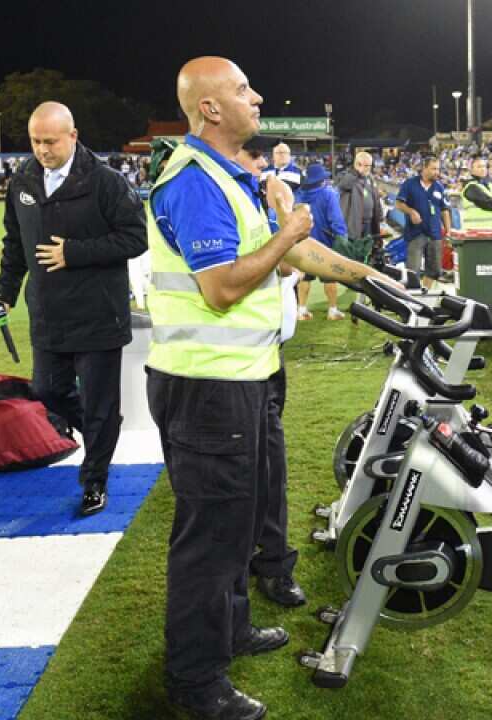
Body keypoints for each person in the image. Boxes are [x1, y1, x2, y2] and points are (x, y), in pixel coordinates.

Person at [146, 57, 393, 719]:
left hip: (240, 381)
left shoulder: (233, 176)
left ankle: (228, 630)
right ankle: (196, 684)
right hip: (208, 389)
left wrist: (375, 280)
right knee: (211, 539)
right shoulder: (196, 182)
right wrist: (288, 228)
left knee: (237, 524)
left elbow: (298, 256)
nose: (257, 97)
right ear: (210, 110)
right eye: (242, 89)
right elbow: (224, 287)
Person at [0, 101, 147, 517]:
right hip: (48, 313)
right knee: (47, 391)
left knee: (97, 405)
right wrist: (4, 290)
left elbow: (136, 238)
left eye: (50, 141)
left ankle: (94, 480)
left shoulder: (106, 182)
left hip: (98, 314)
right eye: (36, 141)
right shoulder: (21, 181)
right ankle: (104, 428)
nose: (42, 149)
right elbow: (14, 243)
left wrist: (74, 253)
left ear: (73, 136)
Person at [231, 139, 307, 610]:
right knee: (241, 477)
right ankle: (244, 571)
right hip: (226, 364)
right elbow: (232, 282)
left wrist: (367, 278)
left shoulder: (259, 197)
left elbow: (292, 264)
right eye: (254, 161)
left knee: (271, 468)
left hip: (266, 355)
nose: (261, 170)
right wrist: (286, 222)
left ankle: (274, 562)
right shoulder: (213, 195)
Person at [293, 163, 348, 320]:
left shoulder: (298, 194)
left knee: (304, 277)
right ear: (321, 179)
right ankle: (332, 310)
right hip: (324, 244)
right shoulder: (328, 194)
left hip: (303, 243)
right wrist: (342, 236)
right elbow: (336, 219)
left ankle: (301, 309)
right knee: (329, 277)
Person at [395, 156, 452, 289]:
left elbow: (445, 210)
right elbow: (398, 203)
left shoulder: (439, 187)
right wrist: (411, 212)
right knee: (412, 271)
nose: (437, 172)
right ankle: (412, 298)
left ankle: (424, 294)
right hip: (416, 233)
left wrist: (448, 231)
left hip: (435, 234)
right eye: (433, 169)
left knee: (434, 270)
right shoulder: (409, 184)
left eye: (438, 169)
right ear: (424, 168)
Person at [335, 151, 386, 265]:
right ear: (357, 164)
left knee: (366, 252)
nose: (368, 168)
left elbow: (376, 198)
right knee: (352, 253)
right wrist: (356, 172)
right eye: (366, 165)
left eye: (369, 165)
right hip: (353, 223)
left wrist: (381, 218)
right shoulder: (345, 175)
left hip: (369, 223)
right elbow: (344, 185)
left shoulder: (370, 179)